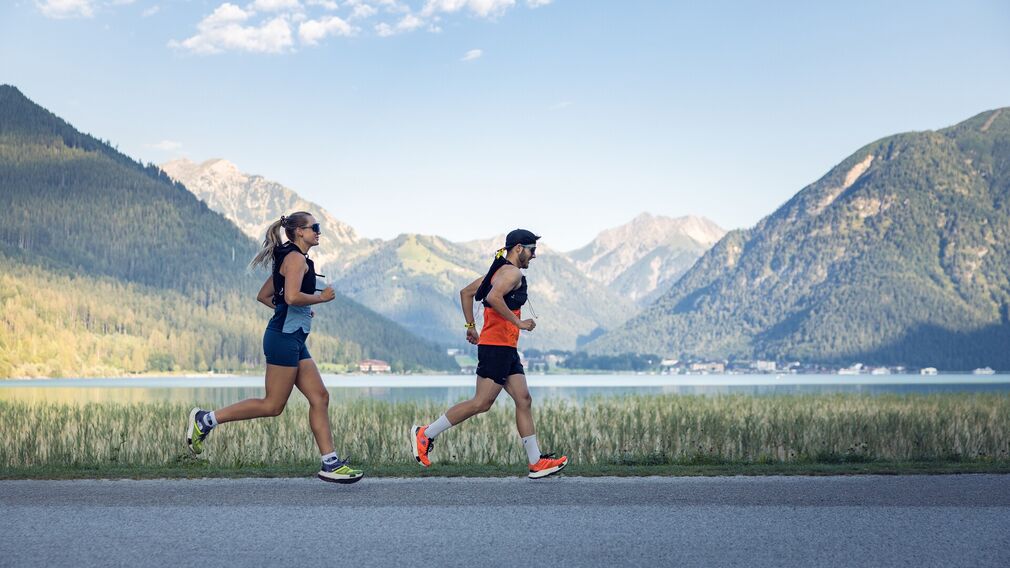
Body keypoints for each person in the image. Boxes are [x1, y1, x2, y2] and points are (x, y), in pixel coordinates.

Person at [186, 211, 363, 484]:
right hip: (282, 338)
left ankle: (330, 464)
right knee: (272, 405)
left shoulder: (293, 258)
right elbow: (291, 296)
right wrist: (319, 298)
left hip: (293, 336)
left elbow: (266, 296)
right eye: (314, 227)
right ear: (299, 232)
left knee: (320, 397)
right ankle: (205, 420)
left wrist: (299, 312)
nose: (318, 231)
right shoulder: (293, 259)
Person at [411, 229, 568, 479]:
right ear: (518, 248)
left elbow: (466, 292)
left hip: (505, 348)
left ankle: (536, 462)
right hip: (497, 347)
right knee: (481, 403)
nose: (534, 256)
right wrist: (518, 324)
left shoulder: (497, 272)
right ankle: (425, 434)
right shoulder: (511, 273)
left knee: (524, 399)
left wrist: (471, 327)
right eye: (532, 250)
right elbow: (494, 297)